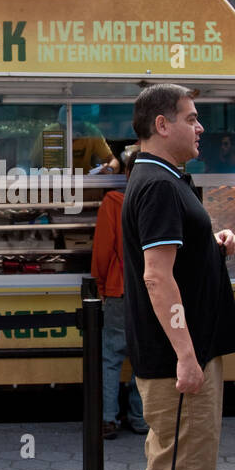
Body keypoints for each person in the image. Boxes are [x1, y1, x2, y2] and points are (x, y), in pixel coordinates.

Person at [122, 84, 235, 470]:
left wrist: (210, 246)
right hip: (176, 358)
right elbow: (156, 277)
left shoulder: (167, 179)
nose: (200, 128)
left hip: (185, 351)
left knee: (177, 464)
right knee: (170, 466)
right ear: (161, 125)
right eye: (191, 119)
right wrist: (187, 357)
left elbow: (173, 260)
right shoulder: (158, 185)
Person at [91, 149, 146, 439]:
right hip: (150, 292)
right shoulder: (157, 201)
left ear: (126, 174)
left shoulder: (112, 203)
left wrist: (100, 285)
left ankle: (107, 419)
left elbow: (102, 250)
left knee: (111, 355)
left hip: (118, 288)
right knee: (143, 357)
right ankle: (139, 417)